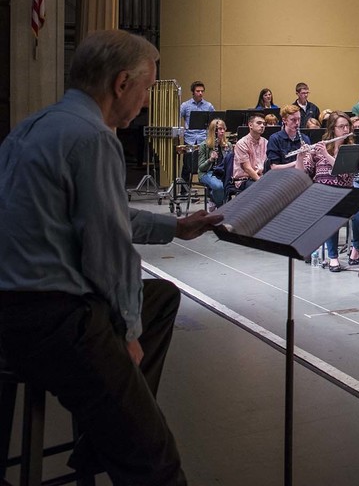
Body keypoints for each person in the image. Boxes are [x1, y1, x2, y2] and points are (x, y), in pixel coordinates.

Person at [0, 29, 223, 485]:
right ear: (122, 84)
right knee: (156, 458)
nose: (144, 103)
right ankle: (119, 434)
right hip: (53, 320)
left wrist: (176, 226)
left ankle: (104, 434)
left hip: (11, 309)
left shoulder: (31, 128)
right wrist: (126, 332)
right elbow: (107, 248)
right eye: (145, 90)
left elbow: (109, 214)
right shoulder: (94, 139)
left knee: (160, 297)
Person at [295, 113, 359, 270]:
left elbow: (345, 172)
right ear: (333, 129)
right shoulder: (319, 148)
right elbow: (302, 173)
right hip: (322, 194)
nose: (345, 129)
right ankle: (333, 257)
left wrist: (326, 155)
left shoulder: (350, 150)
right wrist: (300, 157)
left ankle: (355, 249)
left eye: (347, 126)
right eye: (341, 126)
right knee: (332, 212)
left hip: (345, 192)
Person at [197, 118, 232, 207]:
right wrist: (210, 160)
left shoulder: (228, 145)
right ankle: (221, 207)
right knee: (219, 186)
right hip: (208, 173)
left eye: (224, 129)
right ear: (213, 131)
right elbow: (201, 168)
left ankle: (214, 199)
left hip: (223, 172)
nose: (223, 131)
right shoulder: (204, 145)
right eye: (220, 129)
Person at [267, 104, 311, 169]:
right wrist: (298, 161)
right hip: (282, 176)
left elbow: (308, 164)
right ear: (284, 120)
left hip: (300, 175)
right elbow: (274, 167)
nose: (297, 123)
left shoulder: (305, 138)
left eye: (299, 119)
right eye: (293, 120)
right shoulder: (275, 139)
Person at [233, 113, 268, 190]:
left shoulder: (266, 142)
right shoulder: (242, 143)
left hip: (261, 177)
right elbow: (247, 168)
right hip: (245, 179)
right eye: (259, 123)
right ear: (250, 125)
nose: (262, 126)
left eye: (264, 124)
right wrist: (262, 182)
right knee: (262, 189)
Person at [180, 80, 215, 146]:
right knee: (189, 156)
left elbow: (215, 121)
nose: (200, 93)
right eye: (198, 91)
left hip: (204, 139)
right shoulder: (185, 105)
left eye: (202, 91)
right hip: (189, 139)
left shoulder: (208, 106)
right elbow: (176, 118)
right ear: (193, 92)